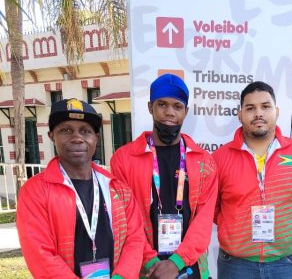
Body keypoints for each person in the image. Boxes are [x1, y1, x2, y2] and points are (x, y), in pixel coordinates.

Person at [16, 98, 146, 278]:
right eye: (66, 130)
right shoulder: (35, 191)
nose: (77, 138)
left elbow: (135, 240)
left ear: (96, 139)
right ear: (52, 135)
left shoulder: (117, 188)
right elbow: (40, 254)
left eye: (85, 131)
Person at [110, 74, 218, 279]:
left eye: (177, 106)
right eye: (162, 104)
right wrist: (153, 263)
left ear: (185, 112)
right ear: (150, 107)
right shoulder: (124, 159)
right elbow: (125, 220)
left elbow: (203, 221)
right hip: (145, 268)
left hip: (190, 266)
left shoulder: (204, 161)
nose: (169, 112)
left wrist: (176, 263)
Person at [213, 81, 292, 279]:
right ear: (240, 115)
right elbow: (213, 208)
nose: (258, 114)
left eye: (265, 106)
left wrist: (286, 225)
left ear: (277, 111)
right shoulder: (220, 158)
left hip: (286, 262)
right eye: (250, 108)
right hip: (236, 265)